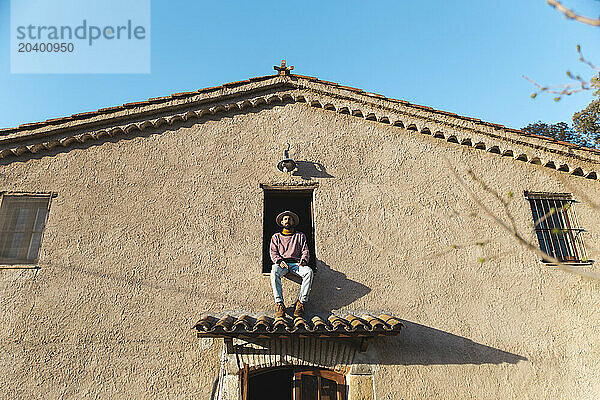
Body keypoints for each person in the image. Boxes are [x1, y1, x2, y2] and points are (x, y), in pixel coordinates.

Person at [270, 210, 313, 318]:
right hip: (282, 264)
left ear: (293, 222)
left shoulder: (300, 236)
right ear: (282, 223)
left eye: (290, 219)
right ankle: (279, 304)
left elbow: (305, 250)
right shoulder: (276, 237)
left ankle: (301, 303)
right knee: (274, 270)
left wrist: (304, 260)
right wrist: (279, 261)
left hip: (296, 263)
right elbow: (273, 252)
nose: (287, 221)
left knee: (309, 272)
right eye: (285, 219)